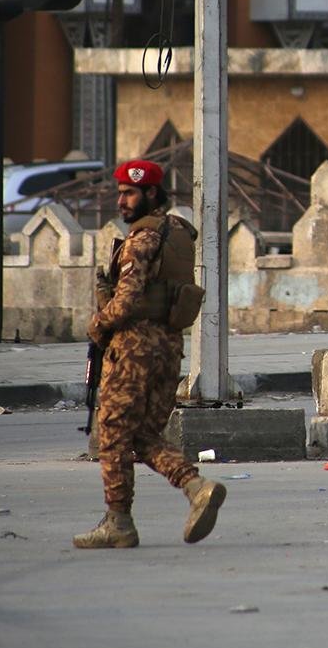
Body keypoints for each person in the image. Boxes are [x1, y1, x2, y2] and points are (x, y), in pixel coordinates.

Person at [76, 160, 225, 549]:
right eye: (120, 193)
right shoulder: (177, 233)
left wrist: (98, 325)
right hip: (168, 347)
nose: (121, 201)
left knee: (112, 434)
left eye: (129, 193)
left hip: (133, 350)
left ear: (151, 193)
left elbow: (126, 303)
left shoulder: (141, 240)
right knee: (142, 435)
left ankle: (118, 522)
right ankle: (195, 487)